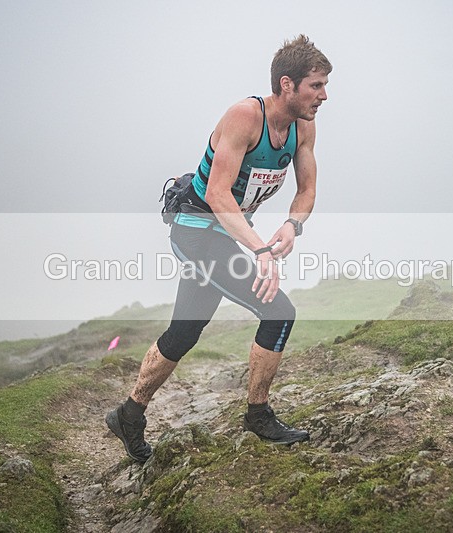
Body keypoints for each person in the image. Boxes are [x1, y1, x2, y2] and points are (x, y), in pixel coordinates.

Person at [106, 35, 331, 462]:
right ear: (287, 84)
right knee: (279, 311)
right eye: (315, 86)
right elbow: (218, 195)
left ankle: (128, 415)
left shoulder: (304, 127)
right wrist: (261, 254)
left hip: (225, 234)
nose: (323, 95)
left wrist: (291, 225)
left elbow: (308, 190)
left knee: (184, 332)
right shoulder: (245, 117)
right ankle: (258, 415)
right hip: (197, 231)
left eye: (323, 85)